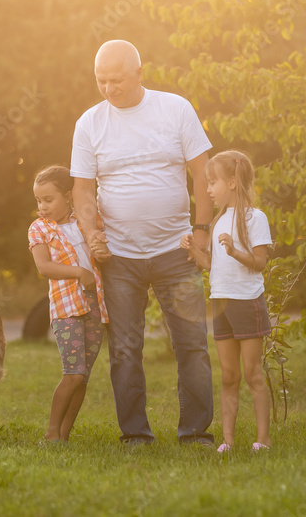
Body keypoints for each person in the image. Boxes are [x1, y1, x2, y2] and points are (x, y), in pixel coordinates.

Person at [71, 39, 215, 445]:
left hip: (178, 250)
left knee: (192, 345)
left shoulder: (175, 109)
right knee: (124, 350)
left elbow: (202, 175)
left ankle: (196, 433)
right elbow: (82, 192)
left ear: (139, 73)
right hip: (119, 257)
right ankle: (134, 434)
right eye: (101, 80)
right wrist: (91, 233)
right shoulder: (90, 123)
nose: (108, 88)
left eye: (116, 80)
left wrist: (201, 233)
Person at [181, 150, 273, 453]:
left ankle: (263, 439)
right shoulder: (219, 220)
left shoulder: (254, 218)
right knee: (230, 376)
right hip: (221, 303)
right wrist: (195, 251)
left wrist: (234, 251)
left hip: (247, 302)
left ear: (232, 182)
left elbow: (260, 262)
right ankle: (228, 441)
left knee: (253, 373)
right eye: (206, 183)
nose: (208, 190)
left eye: (212, 183)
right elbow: (213, 265)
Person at [28, 165, 109, 443]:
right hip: (66, 308)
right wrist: (79, 273)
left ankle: (63, 435)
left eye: (48, 200)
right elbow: (44, 267)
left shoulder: (87, 221)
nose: (42, 206)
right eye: (39, 200)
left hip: (95, 305)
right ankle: (51, 433)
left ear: (68, 196)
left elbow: (103, 253)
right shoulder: (39, 228)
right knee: (73, 374)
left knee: (83, 377)